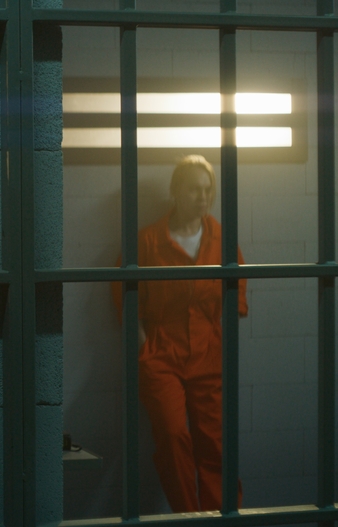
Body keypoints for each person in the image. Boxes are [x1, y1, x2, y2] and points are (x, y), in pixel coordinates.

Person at [111, 155, 247, 513]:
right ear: (175, 192)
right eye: (194, 190)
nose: (203, 197)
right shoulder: (149, 241)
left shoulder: (223, 239)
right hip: (161, 355)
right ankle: (190, 517)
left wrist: (219, 341)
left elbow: (237, 300)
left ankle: (224, 519)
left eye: (208, 190)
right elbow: (124, 298)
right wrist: (145, 348)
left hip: (207, 353)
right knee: (172, 437)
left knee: (215, 445)